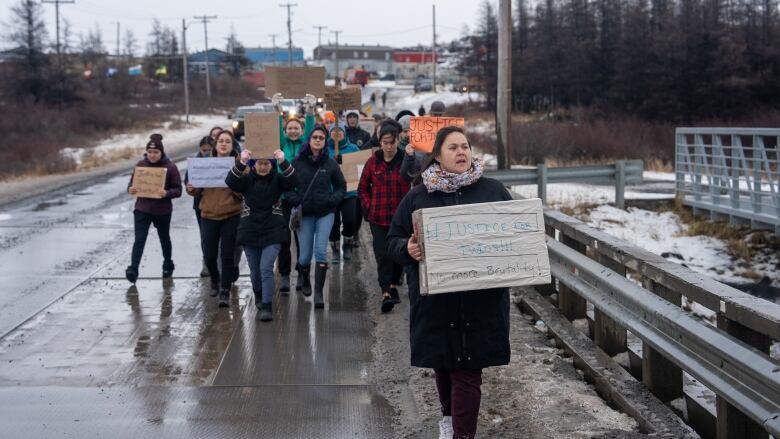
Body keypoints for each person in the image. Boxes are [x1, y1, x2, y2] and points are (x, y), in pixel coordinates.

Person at [386, 126, 512, 439]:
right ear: (438, 156)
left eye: (465, 146)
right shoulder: (418, 195)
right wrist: (408, 249)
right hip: (436, 301)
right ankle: (448, 417)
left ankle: (462, 434)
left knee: (468, 371)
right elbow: (393, 240)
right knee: (443, 362)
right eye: (453, 147)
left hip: (479, 302)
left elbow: (513, 235)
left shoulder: (493, 191)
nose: (461, 152)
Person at [226, 148, 297, 322]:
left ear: (271, 165)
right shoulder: (247, 180)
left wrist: (283, 162)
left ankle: (267, 305)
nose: (263, 167)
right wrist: (241, 163)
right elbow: (230, 182)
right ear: (254, 165)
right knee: (255, 272)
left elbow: (293, 181)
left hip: (273, 229)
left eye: (266, 164)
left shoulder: (278, 179)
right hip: (250, 230)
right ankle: (258, 293)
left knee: (266, 268)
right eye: (260, 163)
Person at [285, 126, 346, 309]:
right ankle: (304, 276)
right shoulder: (297, 162)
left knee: (320, 250)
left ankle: (319, 292)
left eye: (321, 137)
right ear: (309, 140)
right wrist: (296, 200)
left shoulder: (330, 164)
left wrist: (332, 200)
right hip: (305, 214)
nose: (318, 140)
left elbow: (341, 186)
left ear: (325, 141)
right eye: (315, 137)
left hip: (325, 213)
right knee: (304, 255)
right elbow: (287, 186)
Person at [357, 123, 411, 313]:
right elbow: (362, 188)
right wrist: (368, 205)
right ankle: (386, 291)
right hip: (378, 217)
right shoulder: (372, 162)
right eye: (385, 143)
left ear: (398, 141)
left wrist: (411, 157)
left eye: (392, 142)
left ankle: (395, 282)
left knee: (399, 254)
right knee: (382, 254)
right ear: (380, 143)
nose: (389, 146)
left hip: (400, 218)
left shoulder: (405, 160)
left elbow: (415, 177)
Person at [186, 130, 243, 307]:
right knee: (209, 254)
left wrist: (235, 184)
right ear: (216, 145)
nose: (224, 144)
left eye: (228, 141)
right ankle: (215, 279)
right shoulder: (204, 164)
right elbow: (195, 191)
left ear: (232, 146)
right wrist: (191, 188)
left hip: (230, 215)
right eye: (221, 141)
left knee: (227, 255)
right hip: (208, 215)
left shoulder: (239, 165)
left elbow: (243, 192)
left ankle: (225, 290)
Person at [125, 134, 182, 284]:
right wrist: (131, 189)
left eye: (155, 152)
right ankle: (133, 268)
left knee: (164, 238)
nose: (152, 155)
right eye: (150, 152)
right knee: (139, 239)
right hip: (142, 209)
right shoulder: (141, 165)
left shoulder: (170, 167)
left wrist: (167, 193)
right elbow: (131, 185)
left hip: (162, 211)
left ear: (161, 153)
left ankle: (168, 263)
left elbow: (178, 190)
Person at [277, 107, 316, 294]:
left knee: (302, 239)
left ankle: (302, 272)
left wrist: (309, 114)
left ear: (301, 131)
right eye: (289, 128)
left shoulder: (305, 147)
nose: (293, 131)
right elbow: (277, 132)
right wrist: (278, 113)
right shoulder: (282, 145)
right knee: (283, 238)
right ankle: (284, 274)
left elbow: (311, 132)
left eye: (296, 128)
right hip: (284, 198)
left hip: (302, 198)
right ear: (285, 132)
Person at [326, 124, 360, 262]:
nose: (337, 132)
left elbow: (361, 166)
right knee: (333, 223)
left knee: (349, 220)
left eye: (340, 130)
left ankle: (347, 244)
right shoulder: (324, 149)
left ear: (344, 133)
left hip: (349, 192)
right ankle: (334, 249)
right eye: (333, 130)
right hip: (330, 192)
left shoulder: (353, 148)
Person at [185, 136, 215, 278]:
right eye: (204, 150)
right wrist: (191, 186)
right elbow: (187, 180)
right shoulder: (195, 163)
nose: (206, 153)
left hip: (218, 203)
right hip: (200, 205)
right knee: (205, 236)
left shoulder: (218, 161)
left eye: (209, 150)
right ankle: (207, 263)